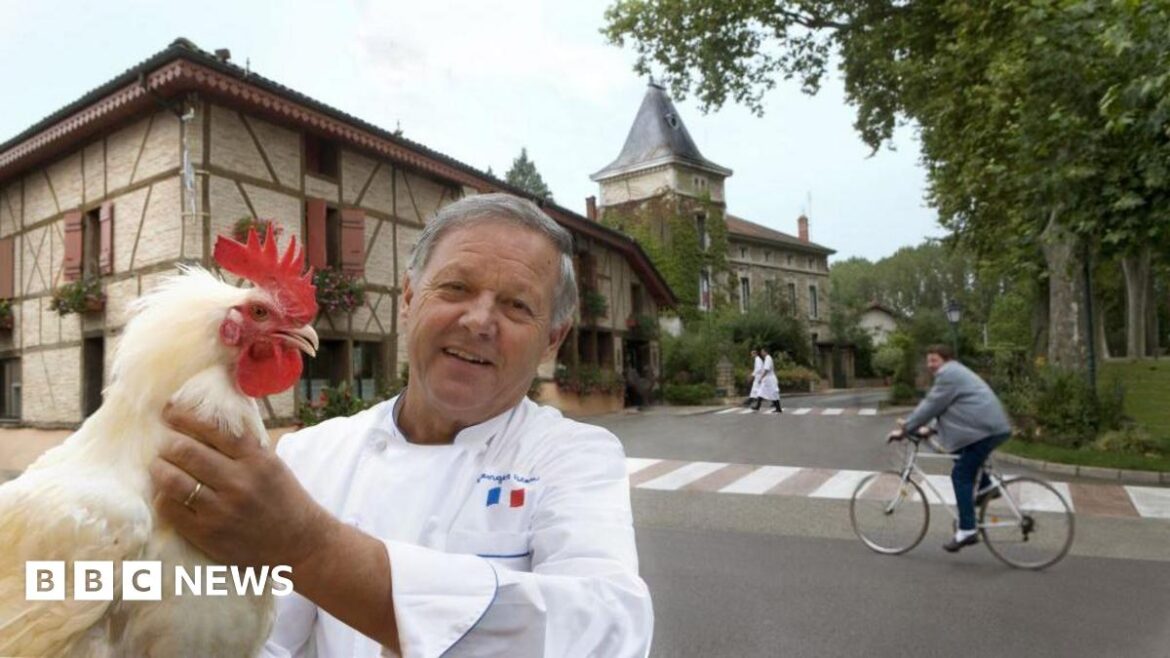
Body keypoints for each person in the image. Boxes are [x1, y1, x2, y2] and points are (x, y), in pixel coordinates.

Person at [150, 194, 654, 657]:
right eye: (456, 287)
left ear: (552, 340)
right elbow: (265, 639)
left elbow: (607, 629)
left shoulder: (574, 456)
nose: (479, 321)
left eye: (516, 306)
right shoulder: (311, 455)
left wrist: (309, 547)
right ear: (409, 299)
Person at [890, 344, 1012, 552]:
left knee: (960, 475)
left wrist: (907, 428)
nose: (930, 365)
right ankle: (986, 488)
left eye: (934, 360)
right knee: (959, 454)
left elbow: (932, 404)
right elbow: (952, 408)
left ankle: (967, 530)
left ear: (946, 359)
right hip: (987, 428)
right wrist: (929, 429)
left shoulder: (949, 374)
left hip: (984, 430)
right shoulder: (956, 373)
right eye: (928, 361)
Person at [753, 347, 782, 413]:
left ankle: (778, 408)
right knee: (761, 392)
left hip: (770, 379)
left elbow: (766, 369)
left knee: (774, 393)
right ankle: (757, 406)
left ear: (765, 352)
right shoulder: (767, 358)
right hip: (767, 379)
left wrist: (761, 378)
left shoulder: (768, 358)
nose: (761, 353)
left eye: (762, 352)